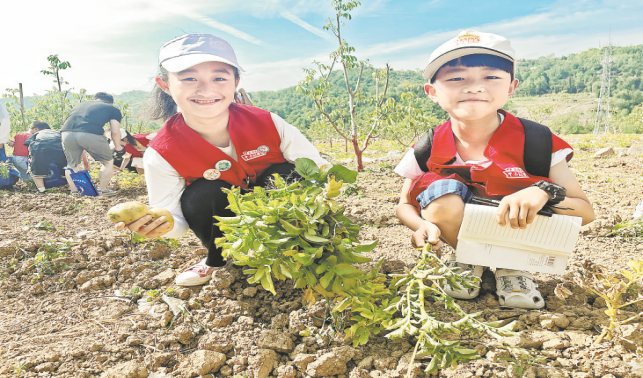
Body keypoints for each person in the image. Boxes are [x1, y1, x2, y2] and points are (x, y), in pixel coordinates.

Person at [394, 30, 595, 309]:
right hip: (462, 235)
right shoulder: (427, 147)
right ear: (432, 92)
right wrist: (422, 225)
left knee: (537, 201)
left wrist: (543, 192)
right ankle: (467, 258)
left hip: (519, 234)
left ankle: (513, 268)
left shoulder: (537, 142)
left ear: (511, 87)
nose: (474, 87)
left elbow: (585, 212)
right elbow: (404, 204)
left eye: (490, 77)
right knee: (441, 198)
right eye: (456, 78)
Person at [114, 33, 329, 286]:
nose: (206, 90)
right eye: (189, 78)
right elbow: (176, 220)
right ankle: (220, 261)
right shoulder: (162, 152)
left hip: (278, 214)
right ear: (165, 84)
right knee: (203, 193)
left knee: (292, 173)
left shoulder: (268, 122)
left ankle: (303, 247)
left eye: (219, 77)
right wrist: (161, 226)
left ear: (235, 81)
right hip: (228, 225)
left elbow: (317, 168)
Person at [61, 92, 124, 196]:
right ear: (111, 103)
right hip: (90, 133)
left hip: (66, 133)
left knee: (72, 165)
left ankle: (75, 192)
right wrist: (118, 146)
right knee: (107, 161)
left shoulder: (79, 105)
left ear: (94, 100)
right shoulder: (112, 109)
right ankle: (103, 190)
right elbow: (115, 130)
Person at [23, 121, 68, 193]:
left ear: (36, 129)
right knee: (65, 166)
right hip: (58, 145)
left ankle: (41, 190)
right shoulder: (56, 132)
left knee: (36, 168)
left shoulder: (38, 133)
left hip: (41, 145)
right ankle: (69, 186)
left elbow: (28, 143)